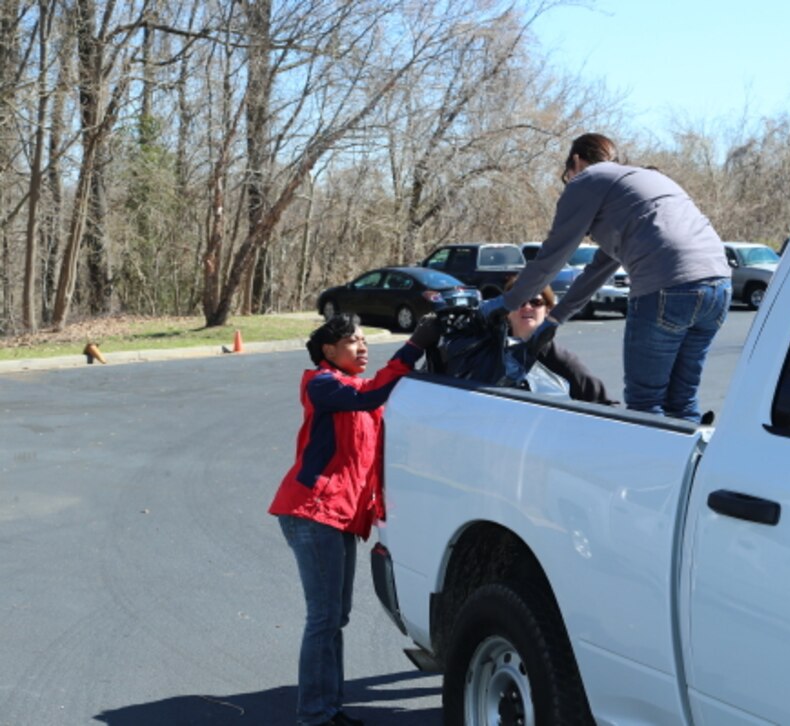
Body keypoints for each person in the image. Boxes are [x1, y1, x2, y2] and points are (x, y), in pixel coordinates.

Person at [480, 132, 731, 421]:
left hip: (666, 287)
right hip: (719, 287)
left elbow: (551, 259)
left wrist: (504, 303)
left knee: (645, 404)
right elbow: (599, 268)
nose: (568, 180)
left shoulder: (586, 181)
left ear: (576, 161)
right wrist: (553, 318)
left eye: (567, 174)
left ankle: (651, 466)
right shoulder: (634, 183)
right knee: (682, 402)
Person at [269, 312, 440, 726]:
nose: (363, 347)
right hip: (312, 512)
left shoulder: (355, 388)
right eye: (352, 341)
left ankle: (329, 709)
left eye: (365, 341)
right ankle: (314, 713)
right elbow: (370, 395)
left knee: (335, 617)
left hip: (341, 515)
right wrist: (413, 346)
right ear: (328, 351)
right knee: (324, 617)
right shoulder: (323, 384)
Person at [504, 280, 617, 404]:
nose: (527, 307)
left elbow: (606, 405)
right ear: (507, 311)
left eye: (536, 302)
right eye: (519, 302)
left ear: (548, 310)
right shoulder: (491, 352)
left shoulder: (562, 360)